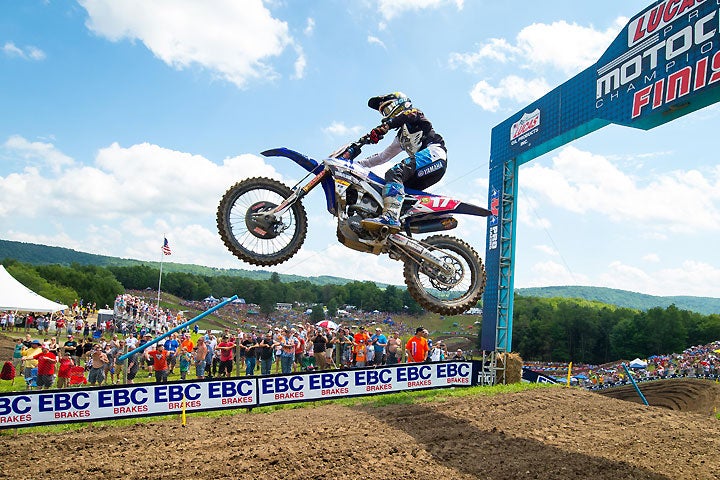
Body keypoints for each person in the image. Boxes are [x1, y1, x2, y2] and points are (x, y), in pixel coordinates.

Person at [356, 92, 447, 231]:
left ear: (401, 102)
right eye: (384, 112)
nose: (387, 113)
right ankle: (400, 229)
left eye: (388, 108)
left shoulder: (415, 114)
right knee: (392, 190)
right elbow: (383, 156)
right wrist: (358, 165)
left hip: (435, 155)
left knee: (394, 172)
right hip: (425, 169)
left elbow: (409, 115)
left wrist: (387, 126)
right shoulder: (400, 137)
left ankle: (390, 217)